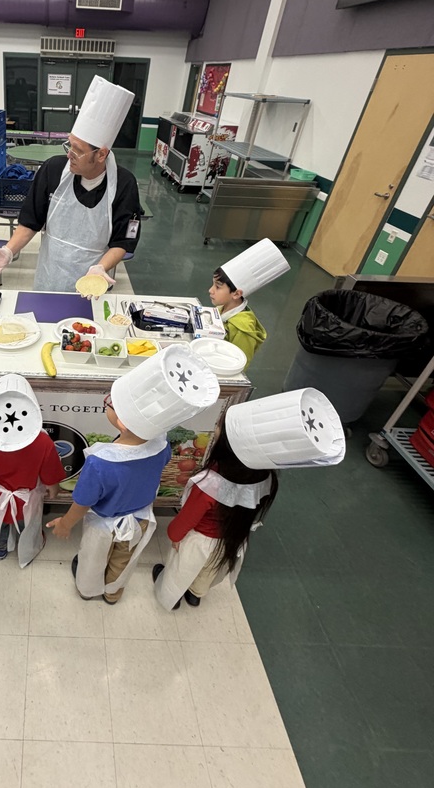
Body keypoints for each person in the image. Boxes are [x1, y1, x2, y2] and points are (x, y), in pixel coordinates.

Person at [47, 346, 220, 603]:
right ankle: (113, 593)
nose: (107, 403)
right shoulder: (161, 445)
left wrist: (65, 524)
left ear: (121, 422)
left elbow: (82, 503)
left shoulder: (100, 462)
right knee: (122, 560)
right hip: (139, 519)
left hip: (104, 524)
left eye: (110, 402)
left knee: (93, 558)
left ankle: (87, 589)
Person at [152, 387, 345, 611]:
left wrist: (174, 535)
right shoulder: (266, 478)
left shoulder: (209, 484)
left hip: (199, 540)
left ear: (230, 444)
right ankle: (195, 594)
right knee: (209, 570)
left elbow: (187, 519)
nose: (214, 429)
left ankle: (171, 596)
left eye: (218, 427)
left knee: (180, 569)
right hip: (230, 540)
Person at [0, 76, 141, 293]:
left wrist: (101, 267)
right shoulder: (53, 170)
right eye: (69, 145)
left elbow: (123, 241)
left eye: (78, 150)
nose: (69, 154)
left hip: (94, 283)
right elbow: (31, 221)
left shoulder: (124, 184)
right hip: (50, 276)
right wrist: (9, 250)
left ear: (101, 155)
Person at [0, 374, 65, 564]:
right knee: (27, 523)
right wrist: (53, 491)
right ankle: (28, 546)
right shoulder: (43, 441)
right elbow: (51, 479)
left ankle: (0, 548)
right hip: (26, 497)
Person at [208, 238, 290, 367]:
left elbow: (239, 365)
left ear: (236, 294)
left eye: (217, 287)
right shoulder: (221, 308)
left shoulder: (244, 330)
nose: (210, 290)